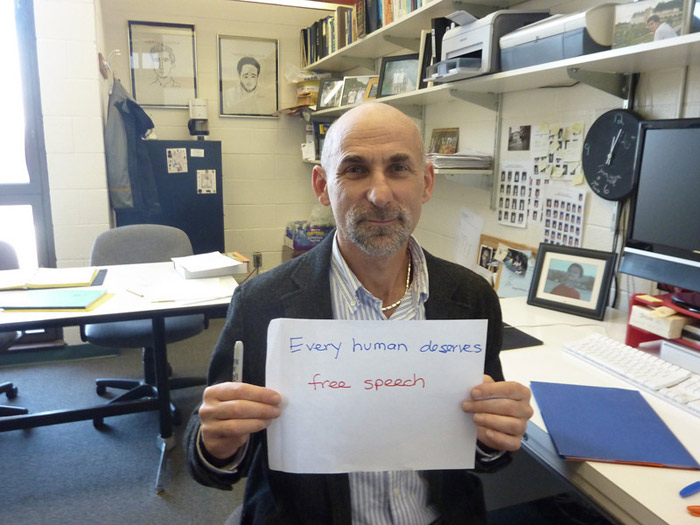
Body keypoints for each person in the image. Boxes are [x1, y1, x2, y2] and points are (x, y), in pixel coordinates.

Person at [185, 102, 533, 523]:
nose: (380, 194)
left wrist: (494, 436)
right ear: (321, 185)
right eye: (355, 170)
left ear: (425, 183)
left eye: (399, 169)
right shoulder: (262, 303)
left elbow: (481, 455)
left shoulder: (469, 298)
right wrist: (215, 444)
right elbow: (213, 461)